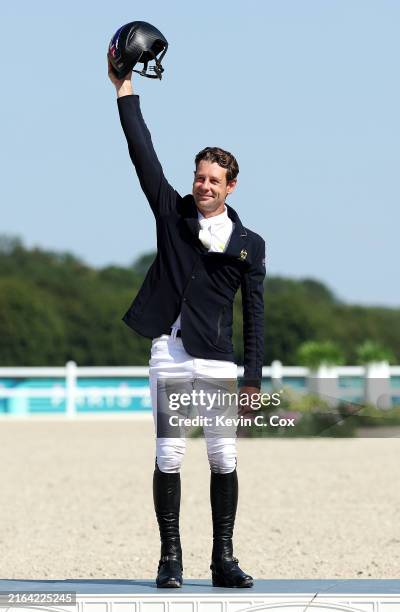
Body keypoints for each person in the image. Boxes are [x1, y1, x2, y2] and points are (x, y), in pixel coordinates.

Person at [108, 58, 266, 589]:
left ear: (231, 187)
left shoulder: (249, 245)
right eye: (199, 176)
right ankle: (169, 558)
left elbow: (256, 312)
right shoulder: (173, 218)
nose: (203, 185)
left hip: (219, 358)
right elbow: (142, 155)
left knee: (224, 456)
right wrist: (124, 90)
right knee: (170, 453)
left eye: (213, 180)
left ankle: (223, 559)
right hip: (171, 353)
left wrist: (252, 377)